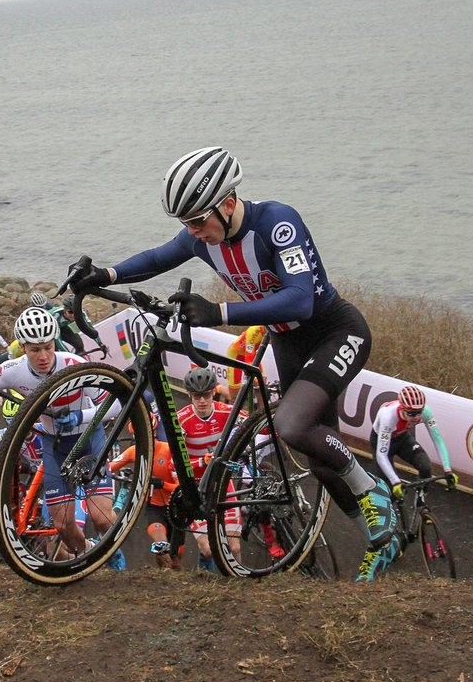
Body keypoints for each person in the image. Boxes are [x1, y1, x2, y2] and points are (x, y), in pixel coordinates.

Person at [68, 146, 397, 582]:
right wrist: (104, 275)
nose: (194, 232)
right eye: (186, 224)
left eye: (199, 221)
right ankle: (382, 540)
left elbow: (299, 296)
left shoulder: (277, 223)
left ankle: (371, 489)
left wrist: (218, 313)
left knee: (293, 426)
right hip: (289, 342)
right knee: (320, 456)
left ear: (227, 203)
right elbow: (157, 258)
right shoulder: (204, 235)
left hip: (335, 331)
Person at [0, 307, 123, 564]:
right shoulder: (13, 370)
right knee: (62, 526)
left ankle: (116, 554)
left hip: (88, 440)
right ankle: (90, 555)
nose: (43, 356)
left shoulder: (75, 365)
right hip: (55, 445)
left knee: (103, 518)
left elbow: (114, 405)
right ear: (23, 348)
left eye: (48, 347)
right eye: (34, 350)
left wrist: (80, 417)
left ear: (54, 342)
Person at [176, 366, 244, 571]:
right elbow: (174, 464)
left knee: (233, 546)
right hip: (194, 486)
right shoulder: (181, 420)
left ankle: (243, 587)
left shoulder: (227, 412)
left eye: (206, 395)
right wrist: (201, 463)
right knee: (208, 549)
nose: (202, 401)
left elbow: (256, 422)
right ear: (189, 395)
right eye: (197, 396)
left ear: (214, 391)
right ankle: (204, 576)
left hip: (221, 481)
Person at [109, 413, 182, 570]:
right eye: (138, 435)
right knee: (160, 546)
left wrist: (162, 484)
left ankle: (176, 583)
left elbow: (180, 487)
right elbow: (108, 468)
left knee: (176, 559)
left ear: (154, 432)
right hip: (154, 507)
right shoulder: (133, 451)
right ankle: (164, 579)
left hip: (176, 507)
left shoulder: (168, 450)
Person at [370, 386, 457, 500]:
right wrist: (395, 482)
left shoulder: (426, 412)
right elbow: (382, 455)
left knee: (425, 467)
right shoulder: (388, 416)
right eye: (411, 414)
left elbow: (438, 440)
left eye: (419, 412)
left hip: (402, 438)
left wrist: (447, 469)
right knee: (390, 492)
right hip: (381, 442)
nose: (416, 417)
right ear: (402, 409)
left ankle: (420, 500)